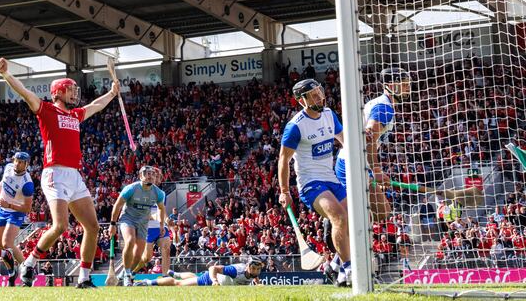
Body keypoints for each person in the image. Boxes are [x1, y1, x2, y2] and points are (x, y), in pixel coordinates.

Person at [0, 57, 121, 288]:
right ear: (57, 93)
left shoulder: (75, 115)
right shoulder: (47, 110)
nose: (74, 94)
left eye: (75, 90)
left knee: (92, 227)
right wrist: (6, 75)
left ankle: (84, 279)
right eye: (70, 90)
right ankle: (30, 262)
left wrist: (112, 94)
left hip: (74, 175)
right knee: (61, 226)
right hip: (54, 174)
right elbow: (25, 93)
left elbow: (95, 106)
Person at [330, 67, 406, 281]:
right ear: (391, 85)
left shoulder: (382, 104)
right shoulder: (384, 107)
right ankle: (346, 267)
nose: (408, 86)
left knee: (372, 215)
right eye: (404, 82)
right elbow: (370, 137)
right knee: (379, 212)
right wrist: (377, 170)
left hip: (353, 162)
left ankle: (338, 264)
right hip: (353, 164)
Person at [278, 79, 351, 286]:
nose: (319, 96)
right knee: (339, 217)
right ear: (302, 100)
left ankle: (335, 266)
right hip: (311, 184)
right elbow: (284, 159)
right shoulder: (295, 126)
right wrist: (285, 191)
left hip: (332, 179)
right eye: (313, 95)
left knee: (354, 220)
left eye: (319, 92)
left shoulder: (329, 114)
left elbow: (345, 139)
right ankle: (350, 269)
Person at [107, 166, 166, 286]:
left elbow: (161, 208)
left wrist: (161, 224)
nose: (150, 176)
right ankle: (128, 275)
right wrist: (112, 224)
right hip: (128, 218)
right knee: (130, 241)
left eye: (152, 174)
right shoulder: (131, 188)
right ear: (140, 176)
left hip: (143, 223)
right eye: (147, 174)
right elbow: (118, 205)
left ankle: (123, 274)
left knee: (138, 255)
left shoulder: (158, 193)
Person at [0, 151, 35, 285]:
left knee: (7, 243)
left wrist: (8, 204)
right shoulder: (8, 167)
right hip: (1, 209)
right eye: (16, 160)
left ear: (26, 164)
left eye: (20, 162)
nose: (17, 163)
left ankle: (27, 269)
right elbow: (3, 183)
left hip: (16, 212)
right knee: (0, 248)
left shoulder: (27, 184)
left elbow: (27, 208)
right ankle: (12, 273)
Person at [136, 258, 263, 286]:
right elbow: (213, 268)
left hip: (218, 280)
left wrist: (258, 284)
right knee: (178, 284)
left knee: (194, 276)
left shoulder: (253, 273)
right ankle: (147, 282)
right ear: (247, 267)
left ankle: (176, 273)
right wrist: (214, 281)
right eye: (253, 268)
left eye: (258, 269)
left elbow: (253, 277)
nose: (255, 271)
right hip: (210, 279)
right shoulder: (236, 271)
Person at [139, 167, 172, 276]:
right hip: (147, 228)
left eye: (158, 177)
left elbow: (162, 210)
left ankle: (165, 276)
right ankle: (130, 272)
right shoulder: (141, 192)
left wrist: (167, 220)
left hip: (160, 227)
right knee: (146, 258)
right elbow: (146, 213)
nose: (157, 178)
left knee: (166, 248)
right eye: (155, 176)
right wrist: (157, 217)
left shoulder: (162, 194)